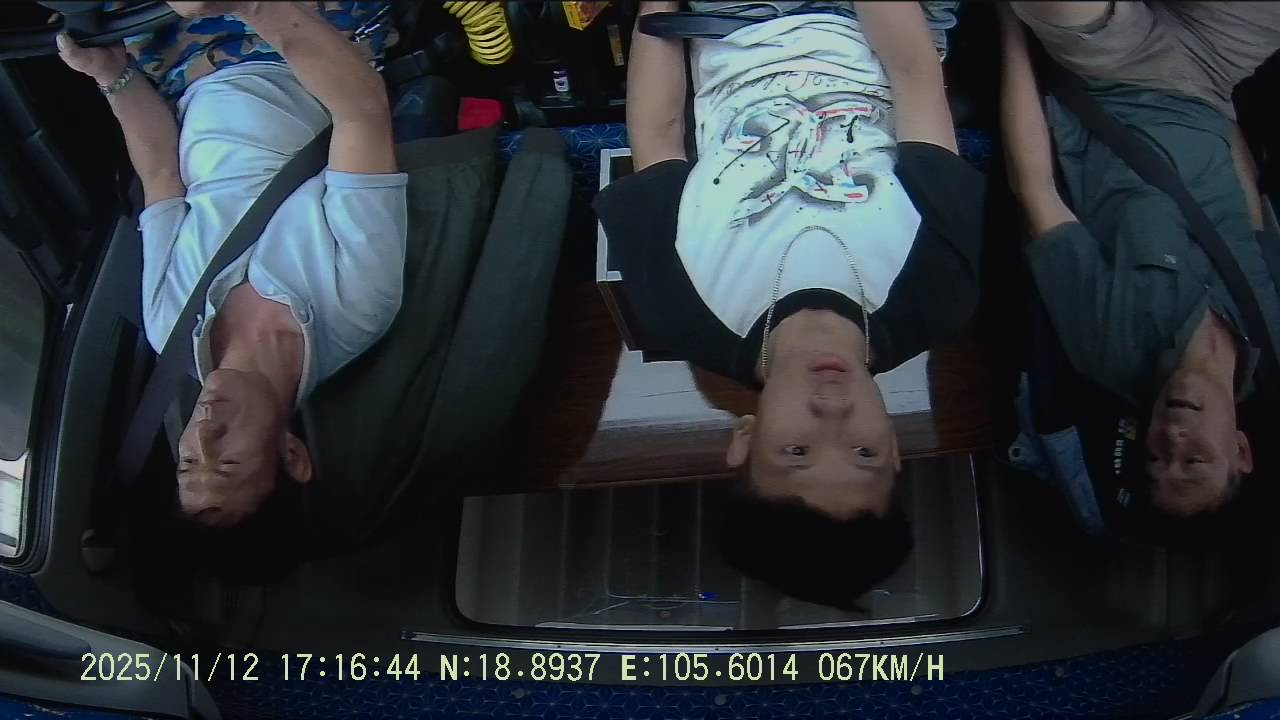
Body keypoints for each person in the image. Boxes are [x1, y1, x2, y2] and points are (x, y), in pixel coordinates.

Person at [594, 0, 986, 609]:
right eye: (863, 452)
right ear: (894, 447)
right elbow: (914, 76)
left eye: (797, 451)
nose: (833, 408)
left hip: (738, 20)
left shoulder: (681, 311)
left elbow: (659, 128)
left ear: (745, 442)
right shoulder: (938, 295)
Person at [57, 0, 408, 528]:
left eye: (188, 461)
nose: (203, 433)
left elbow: (162, 175)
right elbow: (361, 113)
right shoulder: (358, 305)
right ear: (291, 454)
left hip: (178, 67)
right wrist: (249, 5)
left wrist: (112, 77)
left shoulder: (169, 327)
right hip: (309, 37)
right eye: (228, 463)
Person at [999, 1, 1280, 525]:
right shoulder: (1271, 335)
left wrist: (1011, 30)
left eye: (1155, 456)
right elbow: (1248, 208)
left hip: (1112, 73)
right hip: (1212, 82)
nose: (1173, 436)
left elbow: (1035, 189)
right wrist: (1224, 104)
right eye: (1194, 459)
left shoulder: (1109, 349)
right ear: (1240, 450)